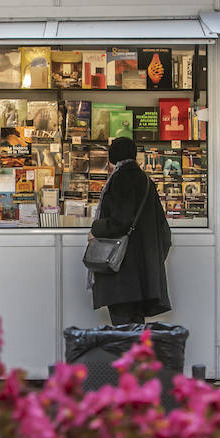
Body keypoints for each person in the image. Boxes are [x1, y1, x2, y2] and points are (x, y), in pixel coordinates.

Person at [90, 137, 171, 325]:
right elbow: (164, 232)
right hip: (143, 276)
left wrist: (96, 229)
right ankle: (137, 356)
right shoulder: (146, 182)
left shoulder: (119, 180)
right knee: (135, 327)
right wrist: (152, 261)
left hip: (122, 272)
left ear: (113, 156)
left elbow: (120, 221)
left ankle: (129, 355)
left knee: (123, 326)